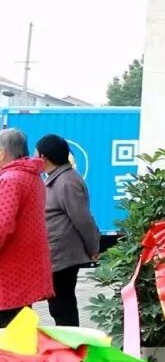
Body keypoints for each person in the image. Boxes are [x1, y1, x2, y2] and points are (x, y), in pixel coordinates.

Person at [38, 133, 100, 327]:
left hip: (63, 256)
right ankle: (67, 341)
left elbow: (83, 219)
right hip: (56, 255)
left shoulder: (67, 181)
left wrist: (93, 247)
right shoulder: (58, 178)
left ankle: (71, 342)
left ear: (43, 157)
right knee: (58, 305)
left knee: (62, 306)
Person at [0, 128, 54, 328]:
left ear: (2, 153)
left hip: (7, 277)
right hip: (25, 272)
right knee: (20, 331)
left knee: (7, 337)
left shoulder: (9, 179)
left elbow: (2, 226)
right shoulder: (32, 176)